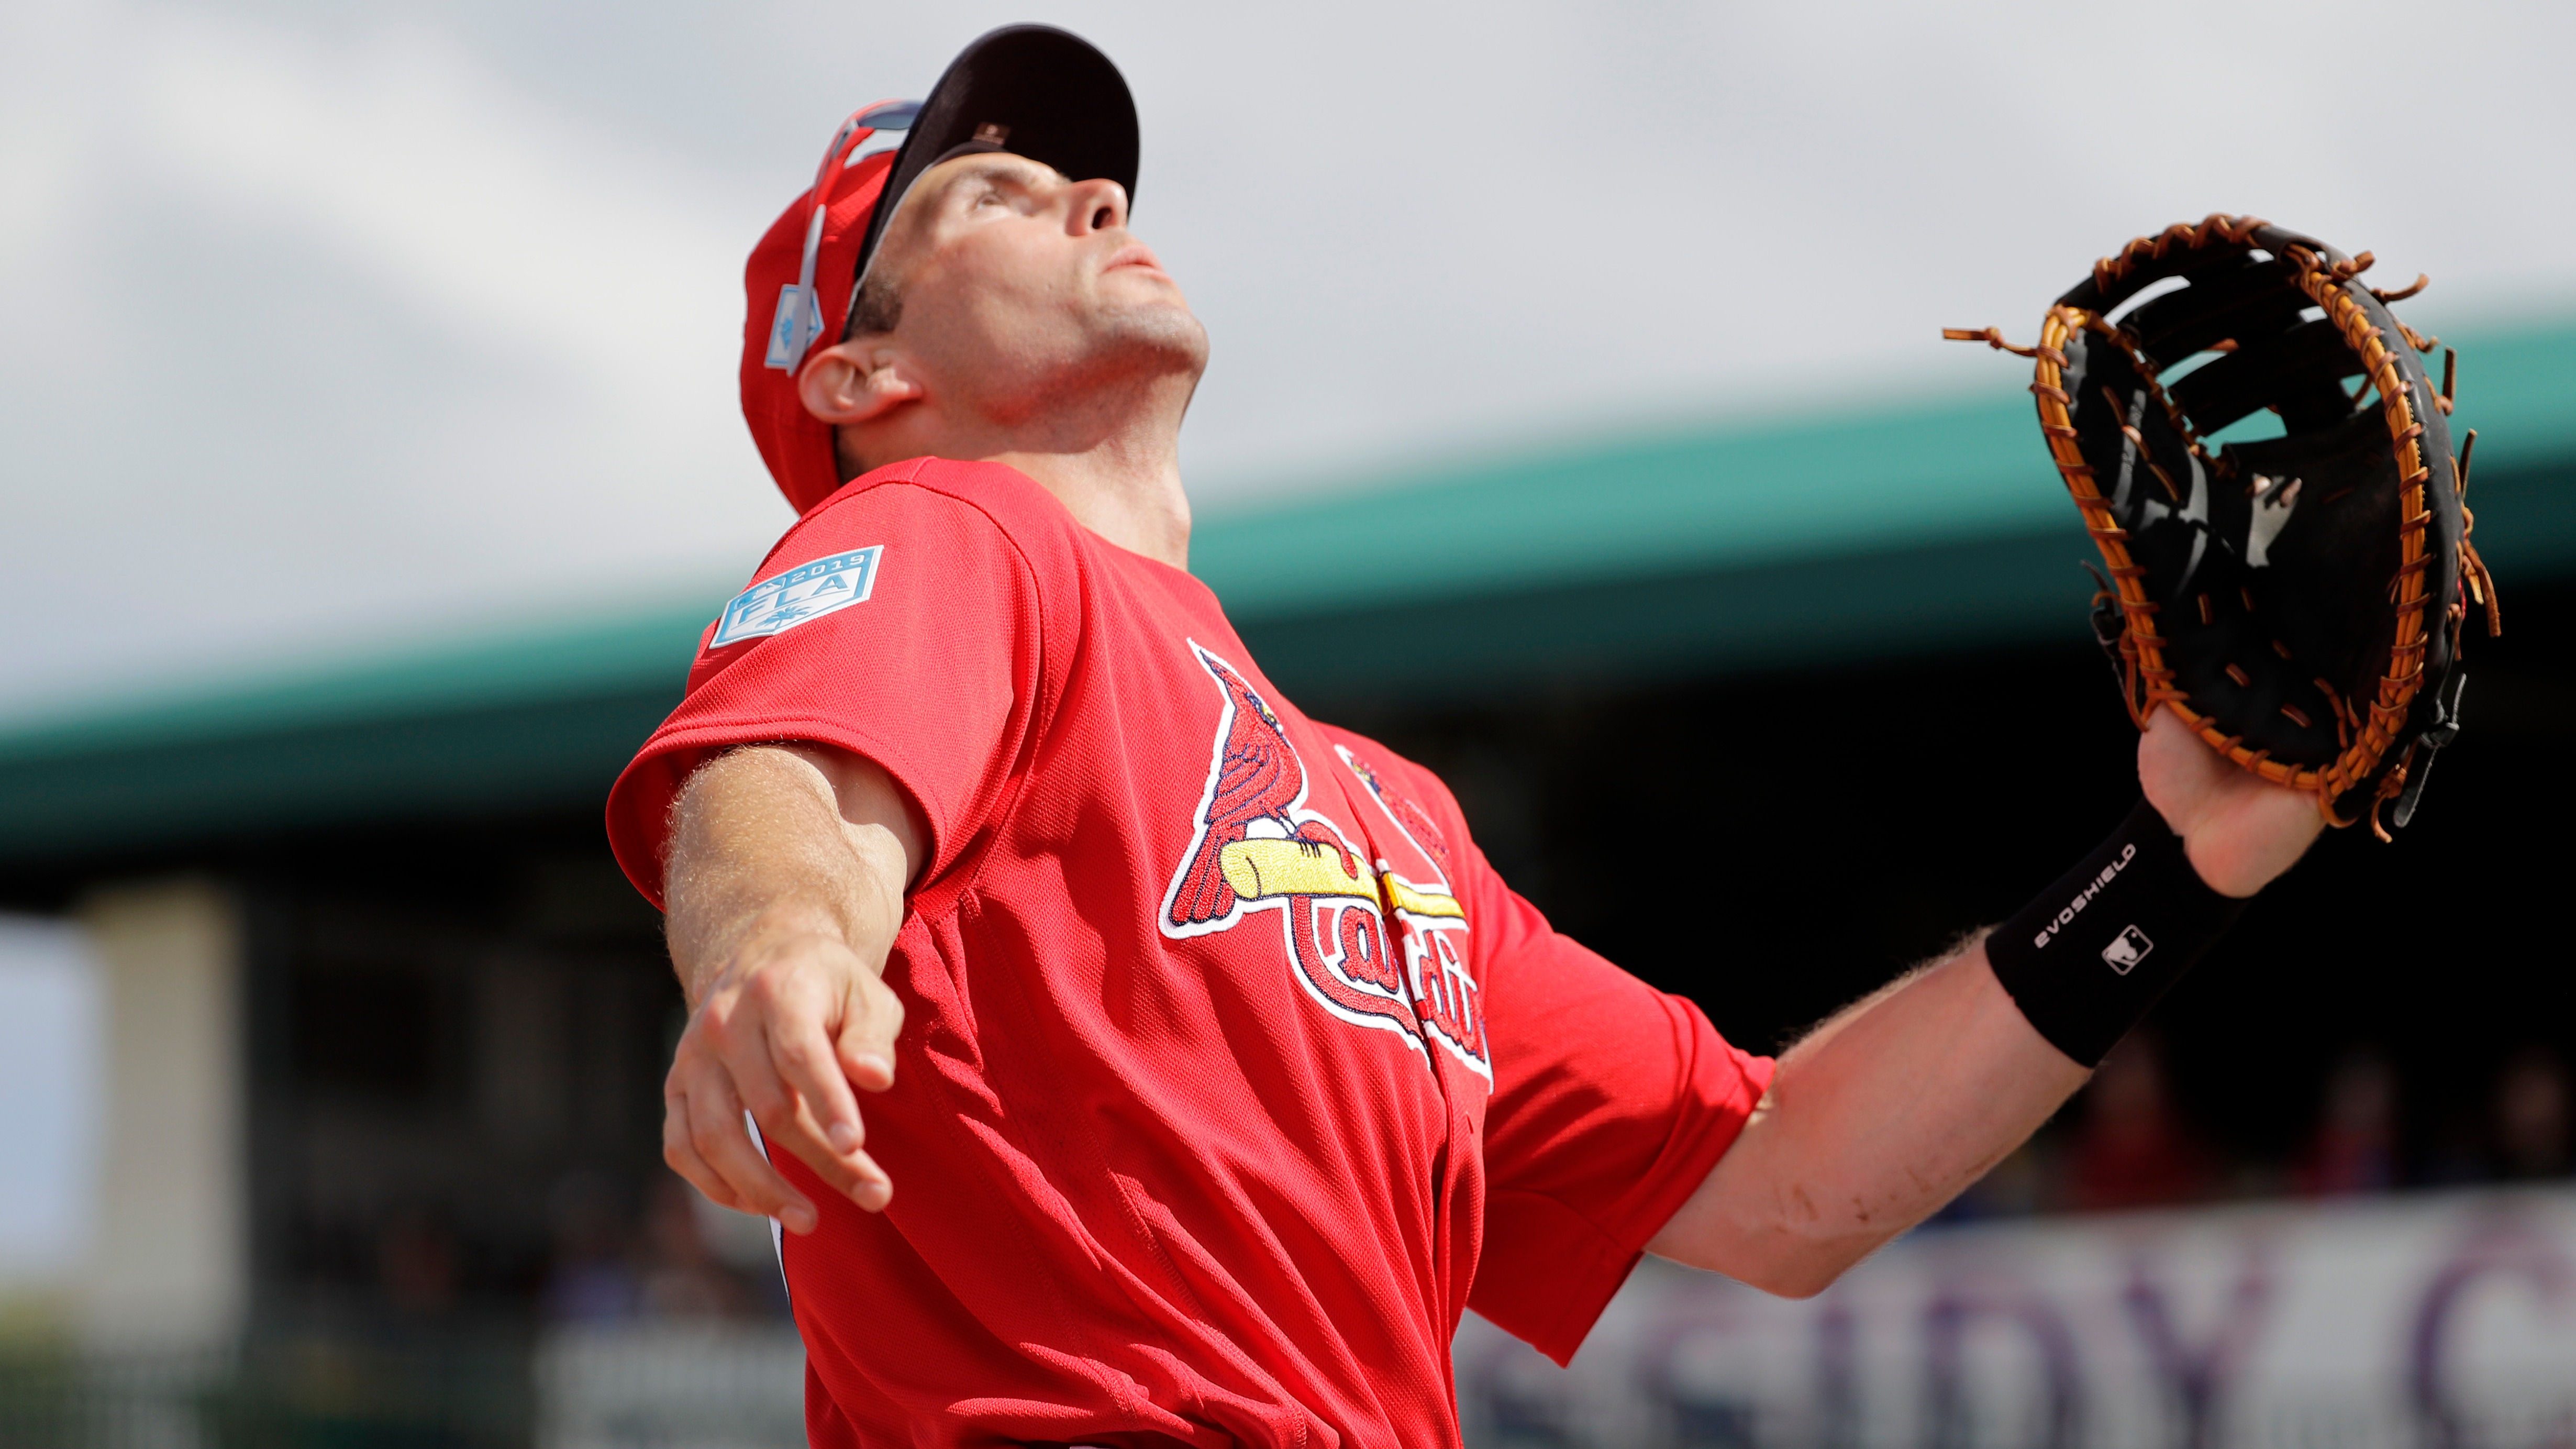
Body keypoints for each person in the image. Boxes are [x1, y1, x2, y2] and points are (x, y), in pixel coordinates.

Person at [602, 26, 2322, 1447]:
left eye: (1085, 178)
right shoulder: (944, 538)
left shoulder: (1384, 815)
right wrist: (778, 945)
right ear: (861, 380)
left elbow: (1784, 1180)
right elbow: (790, 784)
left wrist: (2172, 868)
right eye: (991, 195)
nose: (1095, 196)